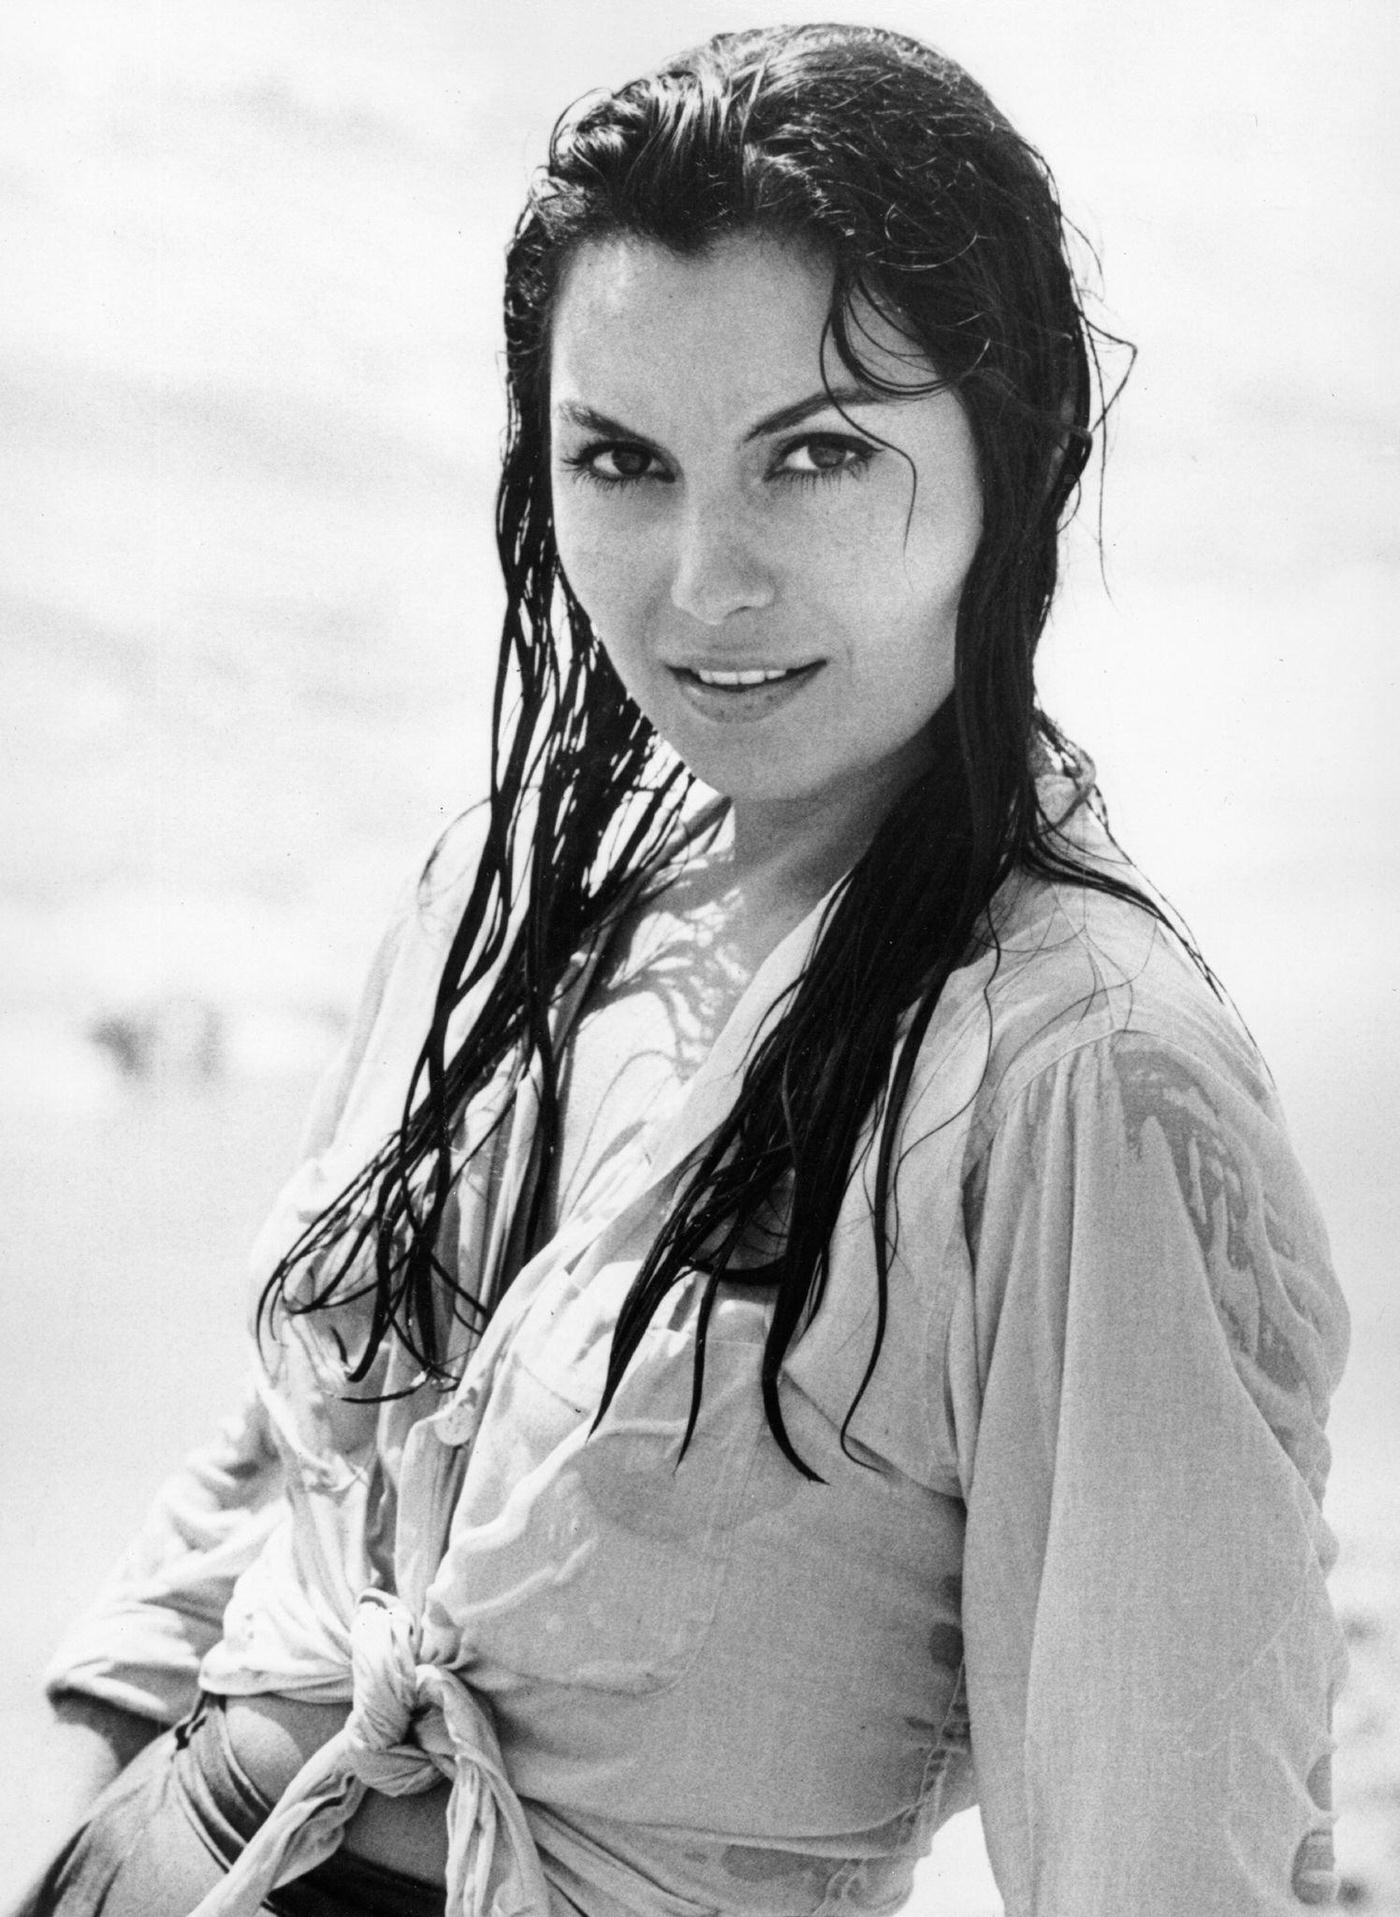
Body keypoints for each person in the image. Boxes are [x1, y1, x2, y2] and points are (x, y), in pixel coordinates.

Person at [15, 22, 1348, 1917]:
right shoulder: (511, 892)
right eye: (622, 461)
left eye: (812, 455)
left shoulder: (1080, 1083)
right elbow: (277, 1461)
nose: (703, 579)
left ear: (1012, 452)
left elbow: (1169, 1858)